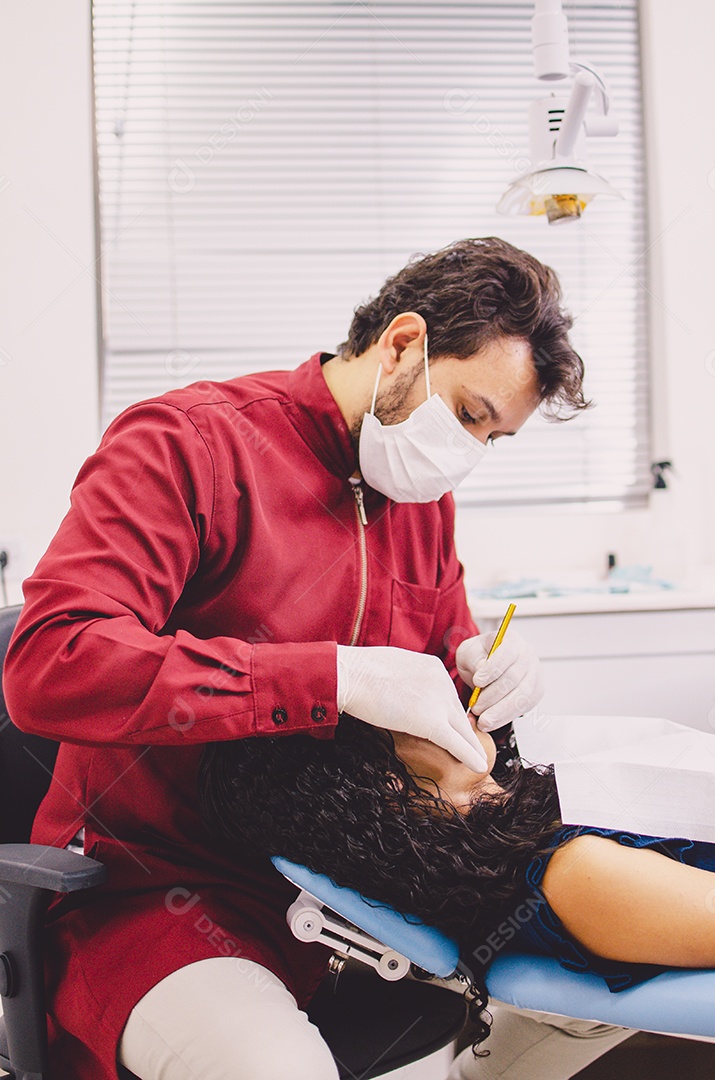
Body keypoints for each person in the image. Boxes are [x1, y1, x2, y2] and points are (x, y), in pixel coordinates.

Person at [3, 237, 594, 1080]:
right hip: (157, 894)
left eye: (491, 438)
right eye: (466, 414)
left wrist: (483, 677)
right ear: (400, 346)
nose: (465, 453)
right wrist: (331, 678)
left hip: (355, 895)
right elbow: (53, 661)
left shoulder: (421, 501)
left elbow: (435, 678)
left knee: (588, 990)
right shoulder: (189, 445)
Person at [199, 714, 715, 1078]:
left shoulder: (529, 812)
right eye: (398, 715)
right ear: (390, 787)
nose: (441, 695)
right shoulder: (578, 874)